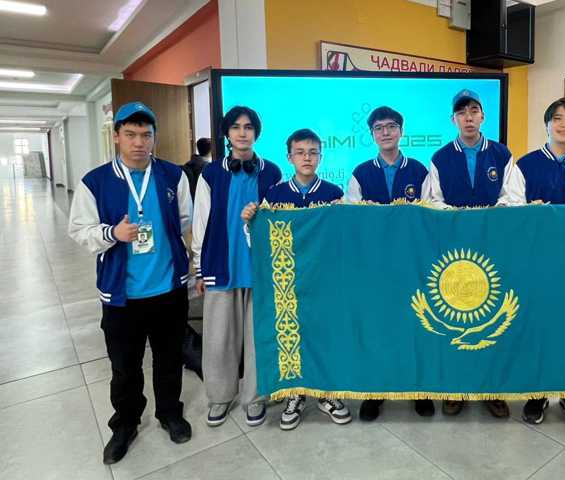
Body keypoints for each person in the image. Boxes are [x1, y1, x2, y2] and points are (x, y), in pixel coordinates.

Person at [68, 101, 193, 464]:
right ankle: (125, 424)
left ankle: (169, 412)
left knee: (169, 358)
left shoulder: (173, 176)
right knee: (125, 366)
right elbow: (79, 230)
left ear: (154, 137)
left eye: (146, 135)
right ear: (117, 137)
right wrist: (113, 233)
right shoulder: (96, 181)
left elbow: (184, 219)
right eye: (131, 134)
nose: (139, 142)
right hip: (122, 295)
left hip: (168, 288)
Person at [499, 97, 565, 429]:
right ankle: (537, 393)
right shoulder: (525, 165)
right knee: (536, 329)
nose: (563, 124)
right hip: (535, 263)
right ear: (546, 124)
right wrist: (531, 214)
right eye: (557, 118)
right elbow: (512, 208)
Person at [241, 128, 352, 430]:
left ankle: (328, 394)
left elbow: (344, 241)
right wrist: (250, 222)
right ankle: (295, 395)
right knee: (292, 337)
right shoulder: (275, 195)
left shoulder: (333, 193)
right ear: (289, 157)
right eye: (300, 152)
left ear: (321, 157)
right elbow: (259, 241)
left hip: (325, 281)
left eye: (313, 152)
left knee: (325, 336)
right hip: (287, 282)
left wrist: (345, 216)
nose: (307, 158)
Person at [422, 89, 514, 418]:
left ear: (483, 116)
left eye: (474, 111)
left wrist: (488, 218)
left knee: (493, 317)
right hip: (454, 252)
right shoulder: (440, 158)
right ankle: (455, 387)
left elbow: (513, 196)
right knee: (455, 317)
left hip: (494, 249)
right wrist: (459, 218)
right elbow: (432, 200)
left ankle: (492, 389)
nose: (468, 117)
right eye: (462, 113)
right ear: (453, 120)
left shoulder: (502, 154)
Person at [192, 106, 282, 429]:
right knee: (219, 338)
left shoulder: (272, 172)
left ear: (256, 133)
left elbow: (277, 218)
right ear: (227, 134)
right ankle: (219, 396)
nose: (243, 133)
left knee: (259, 337)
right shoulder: (211, 174)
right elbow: (200, 222)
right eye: (236, 127)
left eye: (248, 127)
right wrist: (199, 268)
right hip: (221, 264)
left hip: (260, 269)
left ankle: (255, 397)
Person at [344, 106, 433, 420]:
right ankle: (375, 391)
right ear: (371, 134)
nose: (385, 132)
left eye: (391, 126)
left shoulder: (420, 171)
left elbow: (429, 217)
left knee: (417, 326)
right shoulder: (360, 173)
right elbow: (353, 221)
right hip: (375, 266)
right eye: (379, 128)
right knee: (376, 328)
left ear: (401, 131)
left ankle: (419, 390)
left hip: (413, 263)